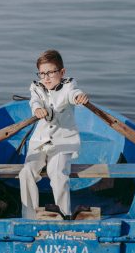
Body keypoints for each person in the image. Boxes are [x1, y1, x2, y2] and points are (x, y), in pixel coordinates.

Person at [19, 49, 89, 219]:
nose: (46, 78)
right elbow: (34, 101)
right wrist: (37, 109)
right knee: (26, 172)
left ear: (62, 72)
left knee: (57, 174)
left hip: (63, 143)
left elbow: (74, 94)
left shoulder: (68, 86)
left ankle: (64, 215)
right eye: (42, 73)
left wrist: (79, 97)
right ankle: (29, 216)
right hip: (39, 142)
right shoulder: (36, 88)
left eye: (51, 72)